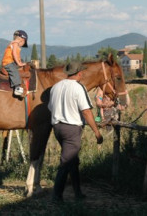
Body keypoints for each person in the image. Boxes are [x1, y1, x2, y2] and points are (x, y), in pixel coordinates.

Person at [48, 61, 103, 202]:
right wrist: (96, 132)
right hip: (71, 129)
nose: (83, 74)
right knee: (66, 162)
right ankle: (56, 196)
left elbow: (50, 107)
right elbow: (86, 112)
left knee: (73, 160)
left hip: (57, 127)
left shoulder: (55, 87)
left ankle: (77, 192)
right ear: (79, 73)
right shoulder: (79, 88)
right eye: (82, 72)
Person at [1, 30, 28, 96]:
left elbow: (18, 57)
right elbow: (14, 54)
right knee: (14, 71)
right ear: (22, 40)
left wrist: (21, 63)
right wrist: (19, 63)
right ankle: (17, 87)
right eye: (24, 42)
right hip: (8, 62)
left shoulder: (15, 45)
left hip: (12, 62)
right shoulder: (15, 44)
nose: (23, 44)